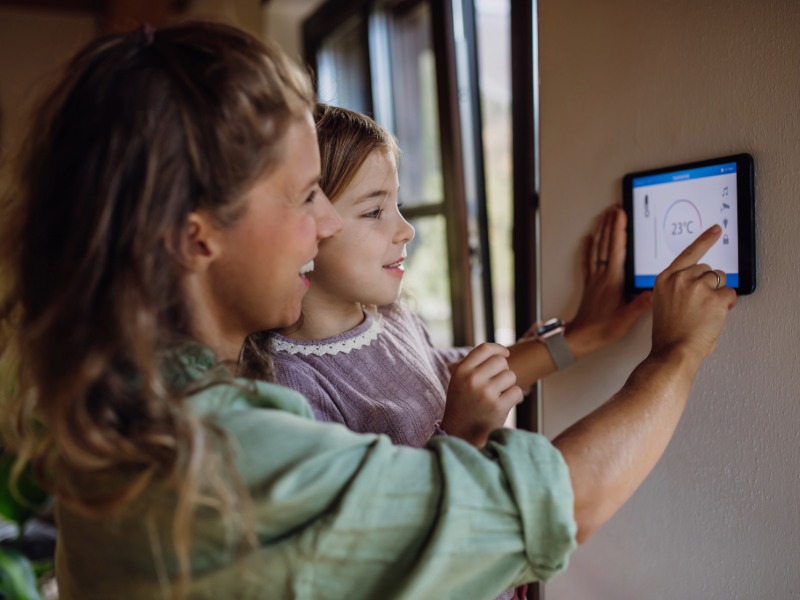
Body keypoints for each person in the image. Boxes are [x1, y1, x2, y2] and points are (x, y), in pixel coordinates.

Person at [0, 20, 736, 600]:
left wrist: (579, 337)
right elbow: (549, 506)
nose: (324, 227)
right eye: (303, 197)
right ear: (197, 236)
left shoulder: (147, 388)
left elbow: (448, 374)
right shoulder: (220, 457)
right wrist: (676, 356)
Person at [270, 104, 652, 449]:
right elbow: (386, 521)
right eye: (374, 211)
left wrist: (584, 335)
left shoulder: (391, 317)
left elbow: (448, 379)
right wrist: (461, 434)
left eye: (397, 205)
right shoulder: (292, 386)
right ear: (306, 226)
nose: (407, 230)